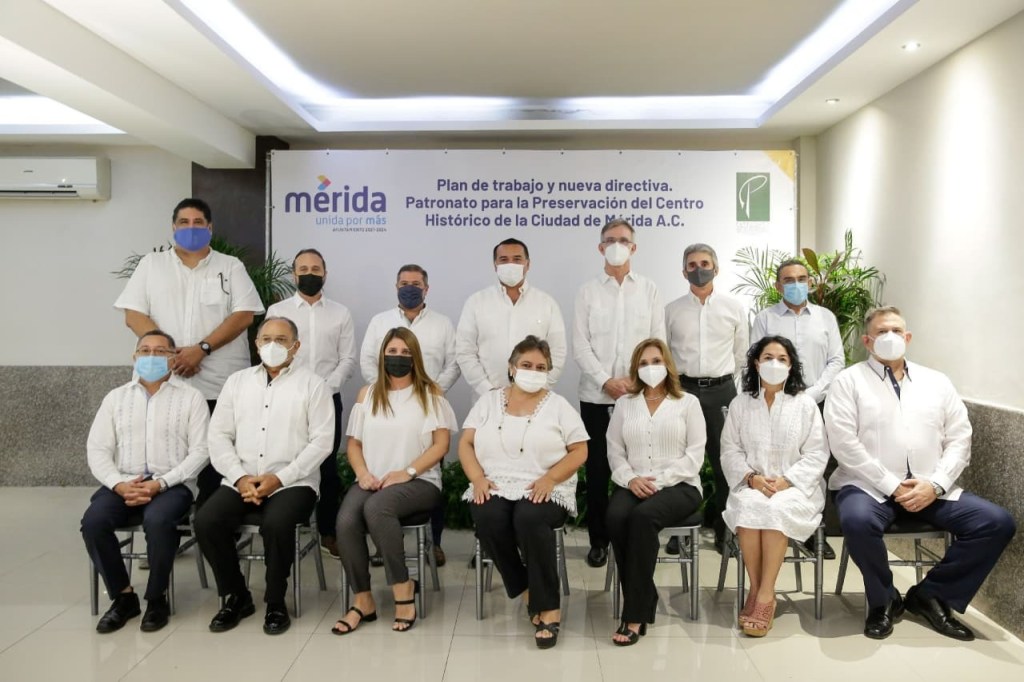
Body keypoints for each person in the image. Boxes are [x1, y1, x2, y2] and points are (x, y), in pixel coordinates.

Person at [825, 306, 1015, 641]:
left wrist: (936, 484)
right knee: (856, 520)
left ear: (908, 337)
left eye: (896, 331)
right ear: (867, 341)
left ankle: (931, 595)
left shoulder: (936, 382)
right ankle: (884, 600)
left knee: (996, 522)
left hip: (930, 488)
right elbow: (844, 443)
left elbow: (960, 437)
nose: (890, 337)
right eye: (882, 332)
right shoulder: (848, 382)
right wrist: (892, 486)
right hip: (867, 487)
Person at [114, 197, 264, 508]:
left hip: (218, 381)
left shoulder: (230, 266)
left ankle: (210, 519)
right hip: (165, 379)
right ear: (173, 227)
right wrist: (169, 354)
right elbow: (133, 314)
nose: (191, 228)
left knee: (217, 453)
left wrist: (201, 350)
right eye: (184, 222)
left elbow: (244, 315)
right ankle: (169, 516)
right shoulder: (151, 265)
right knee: (167, 450)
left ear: (210, 228)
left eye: (198, 223)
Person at [195, 317, 334, 636]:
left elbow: (322, 442)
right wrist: (240, 477)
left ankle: (275, 601)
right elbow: (218, 436)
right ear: (256, 344)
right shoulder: (237, 382)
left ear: (296, 346)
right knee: (206, 521)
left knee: (277, 523)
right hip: (241, 479)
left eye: (281, 340)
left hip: (294, 482)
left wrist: (279, 479)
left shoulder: (314, 385)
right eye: (266, 339)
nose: (273, 345)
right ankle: (237, 595)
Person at [458, 335, 588, 649]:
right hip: (495, 482)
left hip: (545, 483)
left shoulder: (558, 406)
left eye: (541, 367)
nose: (533, 371)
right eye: (526, 364)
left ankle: (550, 608)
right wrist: (477, 478)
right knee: (487, 516)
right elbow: (465, 443)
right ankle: (527, 590)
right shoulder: (488, 402)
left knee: (529, 518)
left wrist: (550, 478)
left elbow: (580, 450)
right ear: (512, 367)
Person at [81, 330, 209, 633]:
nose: (151, 356)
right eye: (145, 350)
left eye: (160, 351)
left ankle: (156, 599)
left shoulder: (191, 398)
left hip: (172, 484)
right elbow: (97, 449)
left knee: (159, 521)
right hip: (123, 482)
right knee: (93, 522)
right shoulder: (116, 398)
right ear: (134, 357)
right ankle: (123, 598)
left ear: (173, 358)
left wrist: (161, 483)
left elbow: (202, 451)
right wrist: (118, 484)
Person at [333, 328, 457, 635]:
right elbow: (354, 444)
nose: (398, 357)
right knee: (346, 520)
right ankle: (363, 600)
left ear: (415, 357)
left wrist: (408, 472)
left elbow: (441, 445)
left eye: (405, 352)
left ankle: (403, 589)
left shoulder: (431, 393)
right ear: (382, 356)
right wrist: (363, 473)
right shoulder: (367, 394)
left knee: (377, 508)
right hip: (373, 479)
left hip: (420, 481)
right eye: (392, 352)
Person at [720, 335, 829, 637]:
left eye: (782, 359)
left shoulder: (805, 404)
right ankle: (758, 591)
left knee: (776, 510)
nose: (774, 364)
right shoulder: (741, 404)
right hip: (751, 483)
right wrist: (751, 478)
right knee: (749, 506)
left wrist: (787, 480)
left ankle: (764, 595)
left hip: (795, 488)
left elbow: (817, 453)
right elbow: (729, 450)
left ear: (791, 365)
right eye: (768, 357)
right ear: (756, 363)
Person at [574, 219, 666, 569]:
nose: (617, 245)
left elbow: (657, 342)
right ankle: (599, 541)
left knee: (641, 466)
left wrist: (635, 381)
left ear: (634, 247)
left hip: (640, 395)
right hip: (596, 397)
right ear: (600, 247)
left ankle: (637, 537)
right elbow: (580, 345)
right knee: (598, 471)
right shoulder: (587, 292)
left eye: (623, 240)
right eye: (610, 240)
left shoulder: (649, 290)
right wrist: (605, 381)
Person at [606, 338, 705, 646]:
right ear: (635, 369)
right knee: (615, 517)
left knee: (643, 517)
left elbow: (695, 455)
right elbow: (614, 450)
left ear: (668, 365)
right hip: (633, 481)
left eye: (656, 362)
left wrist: (659, 481)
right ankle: (645, 594)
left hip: (680, 484)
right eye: (644, 363)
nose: (651, 368)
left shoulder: (688, 403)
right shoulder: (625, 404)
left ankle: (634, 614)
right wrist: (630, 479)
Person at [359, 263, 460, 565]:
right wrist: (386, 390)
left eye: (416, 284)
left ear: (426, 288)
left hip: (427, 412)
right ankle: (386, 545)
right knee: (383, 474)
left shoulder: (442, 324)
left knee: (431, 471)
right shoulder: (380, 322)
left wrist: (430, 392)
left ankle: (434, 543)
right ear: (396, 287)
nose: (410, 288)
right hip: (386, 408)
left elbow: (454, 362)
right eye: (404, 283)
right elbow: (368, 360)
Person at [750, 258, 844, 559]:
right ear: (778, 286)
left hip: (818, 400)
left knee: (817, 464)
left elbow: (836, 360)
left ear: (810, 283)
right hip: (776, 402)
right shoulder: (765, 318)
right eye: (788, 280)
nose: (796, 285)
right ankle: (770, 519)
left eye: (802, 279)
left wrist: (812, 393)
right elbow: (756, 358)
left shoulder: (825, 317)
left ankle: (813, 531)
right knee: (777, 460)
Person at [266, 248, 356, 558]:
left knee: (327, 468)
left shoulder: (341, 313)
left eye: (315, 269)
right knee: (286, 460)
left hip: (328, 399)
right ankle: (285, 524)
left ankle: (328, 531)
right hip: (285, 400)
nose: (309, 274)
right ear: (294, 275)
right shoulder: (277, 311)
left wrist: (323, 389)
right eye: (303, 269)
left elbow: (347, 359)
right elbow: (271, 355)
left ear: (325, 274)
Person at [664, 243, 748, 554]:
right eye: (692, 264)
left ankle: (726, 532)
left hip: (722, 390)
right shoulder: (672, 310)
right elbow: (665, 353)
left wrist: (722, 380)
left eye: (704, 263)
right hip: (683, 390)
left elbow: (741, 353)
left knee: (725, 462)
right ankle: (681, 530)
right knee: (681, 461)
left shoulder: (733, 308)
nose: (698, 269)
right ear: (683, 271)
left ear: (716, 268)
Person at [456, 238, 567, 397]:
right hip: (486, 397)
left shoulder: (547, 303)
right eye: (504, 260)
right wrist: (486, 390)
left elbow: (557, 351)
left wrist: (541, 387)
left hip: (535, 397)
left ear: (527, 264)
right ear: (495, 265)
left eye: (517, 259)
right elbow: (465, 351)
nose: (510, 265)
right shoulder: (476, 302)